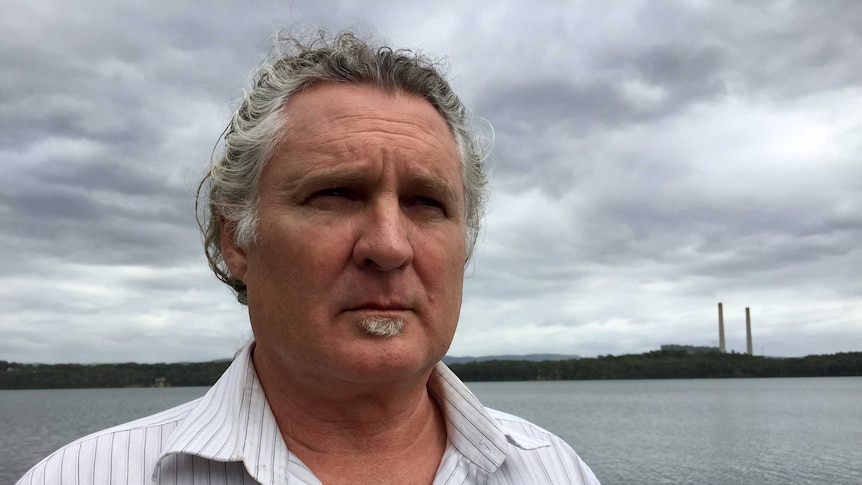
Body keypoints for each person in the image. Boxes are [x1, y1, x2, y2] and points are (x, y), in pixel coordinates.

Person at [18, 31, 600, 485]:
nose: (389, 246)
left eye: (427, 203)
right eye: (336, 194)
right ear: (236, 239)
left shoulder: (556, 470)